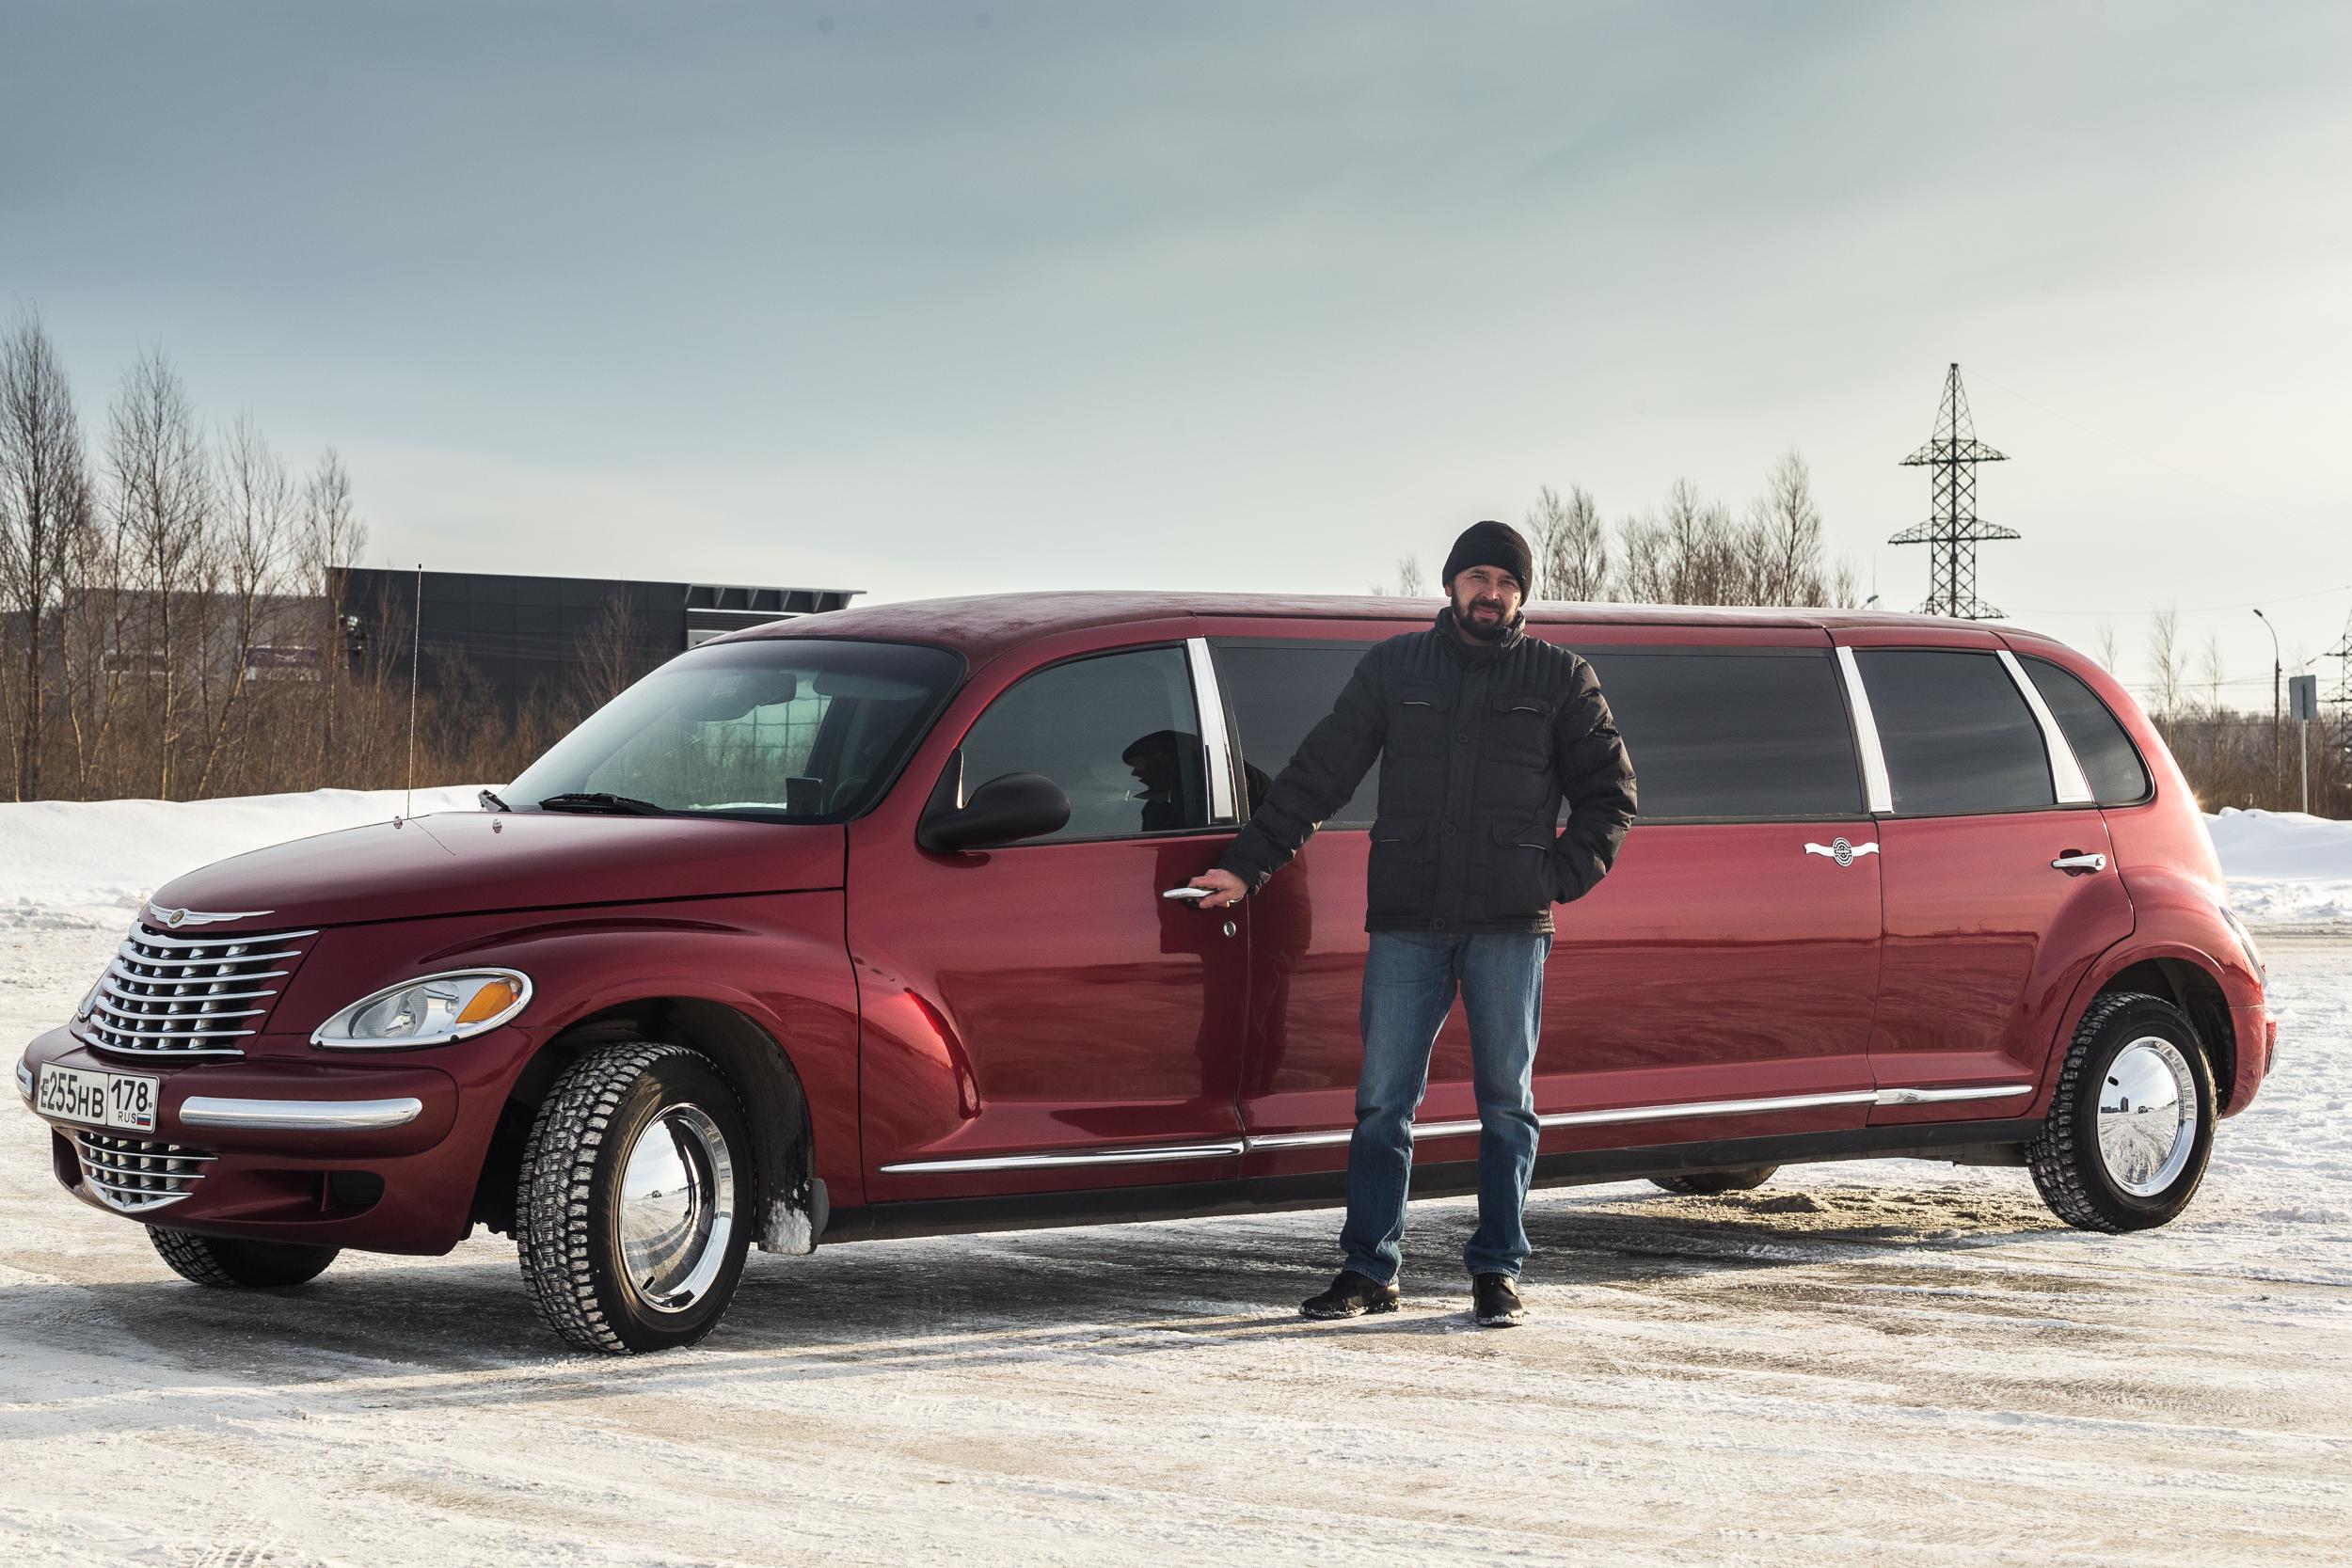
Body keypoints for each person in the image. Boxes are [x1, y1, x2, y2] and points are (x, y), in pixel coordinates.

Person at [1186, 520, 1637, 1327]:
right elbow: (1318, 775)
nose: (1489, 592)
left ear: (1522, 594)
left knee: (1507, 1103)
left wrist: (1556, 876)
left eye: (1504, 580)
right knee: (1383, 1102)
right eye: (1476, 578)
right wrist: (1248, 863)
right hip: (1408, 921)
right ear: (1451, 585)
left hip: (1509, 925)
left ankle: (1498, 1269)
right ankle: (1369, 1268)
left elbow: (1611, 794)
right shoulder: (1395, 669)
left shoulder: (1561, 677)